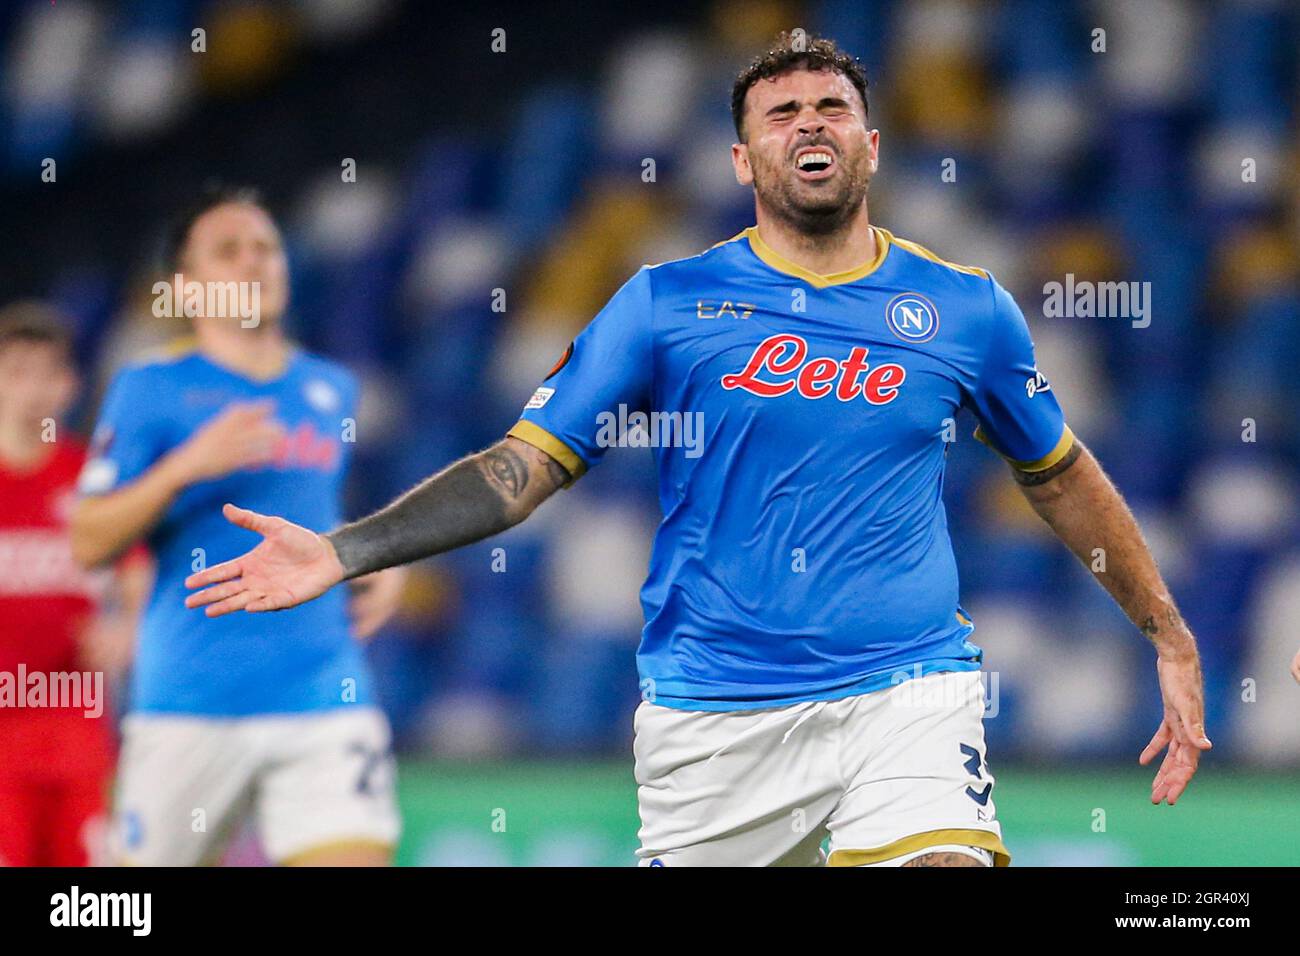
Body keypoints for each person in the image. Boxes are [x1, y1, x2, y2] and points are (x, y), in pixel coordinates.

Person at [183, 36, 1210, 867]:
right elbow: (517, 470)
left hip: (907, 686)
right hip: (713, 711)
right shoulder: (664, 304)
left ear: (870, 144)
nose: (808, 123)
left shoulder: (963, 308)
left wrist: (1164, 629)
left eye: (830, 109)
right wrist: (345, 548)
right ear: (740, 159)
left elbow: (1060, 474)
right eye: (781, 113)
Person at [71, 186, 405, 866]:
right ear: (188, 290)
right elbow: (87, 539)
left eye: (266, 248)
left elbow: (317, 513)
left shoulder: (330, 387)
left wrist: (377, 556)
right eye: (229, 251)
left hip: (322, 693)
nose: (256, 263)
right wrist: (181, 469)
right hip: (189, 701)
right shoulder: (148, 388)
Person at [0, 303, 147, 867]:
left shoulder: (95, 481)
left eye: (47, 374)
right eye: (16, 373)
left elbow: (138, 573)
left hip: (75, 740)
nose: (33, 391)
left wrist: (126, 630)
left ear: (69, 386)